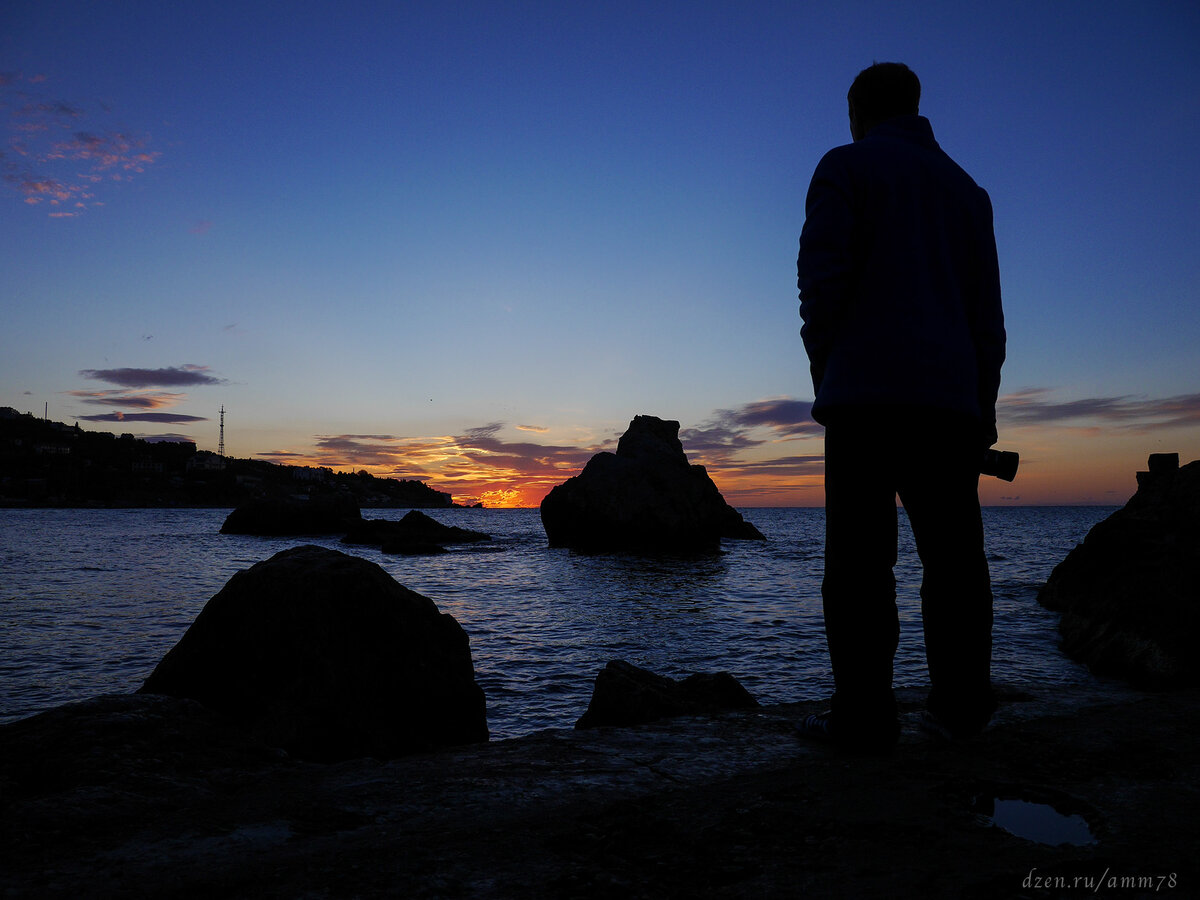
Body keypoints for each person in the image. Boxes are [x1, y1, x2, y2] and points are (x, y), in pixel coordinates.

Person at [796, 62, 1006, 751]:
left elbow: (820, 285)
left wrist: (828, 372)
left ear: (857, 110)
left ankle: (863, 719)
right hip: (949, 405)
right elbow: (988, 322)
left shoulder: (846, 166)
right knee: (955, 565)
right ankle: (961, 711)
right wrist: (984, 411)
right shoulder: (968, 192)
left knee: (858, 567)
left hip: (864, 399)